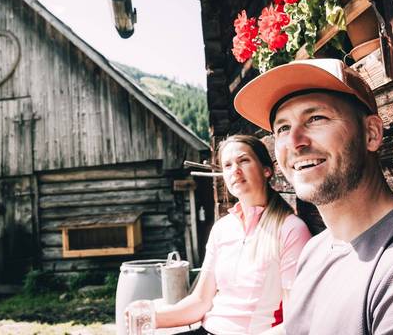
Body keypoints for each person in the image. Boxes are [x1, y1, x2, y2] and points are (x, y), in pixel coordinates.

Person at [233, 58, 393, 334]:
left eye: (316, 118)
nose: (295, 142)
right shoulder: (315, 250)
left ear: (371, 133)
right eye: (282, 128)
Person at [126, 135, 312, 335]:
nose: (235, 171)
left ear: (267, 170)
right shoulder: (222, 229)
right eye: (227, 165)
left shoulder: (290, 230)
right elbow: (200, 301)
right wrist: (151, 317)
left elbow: (296, 320)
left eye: (244, 160)